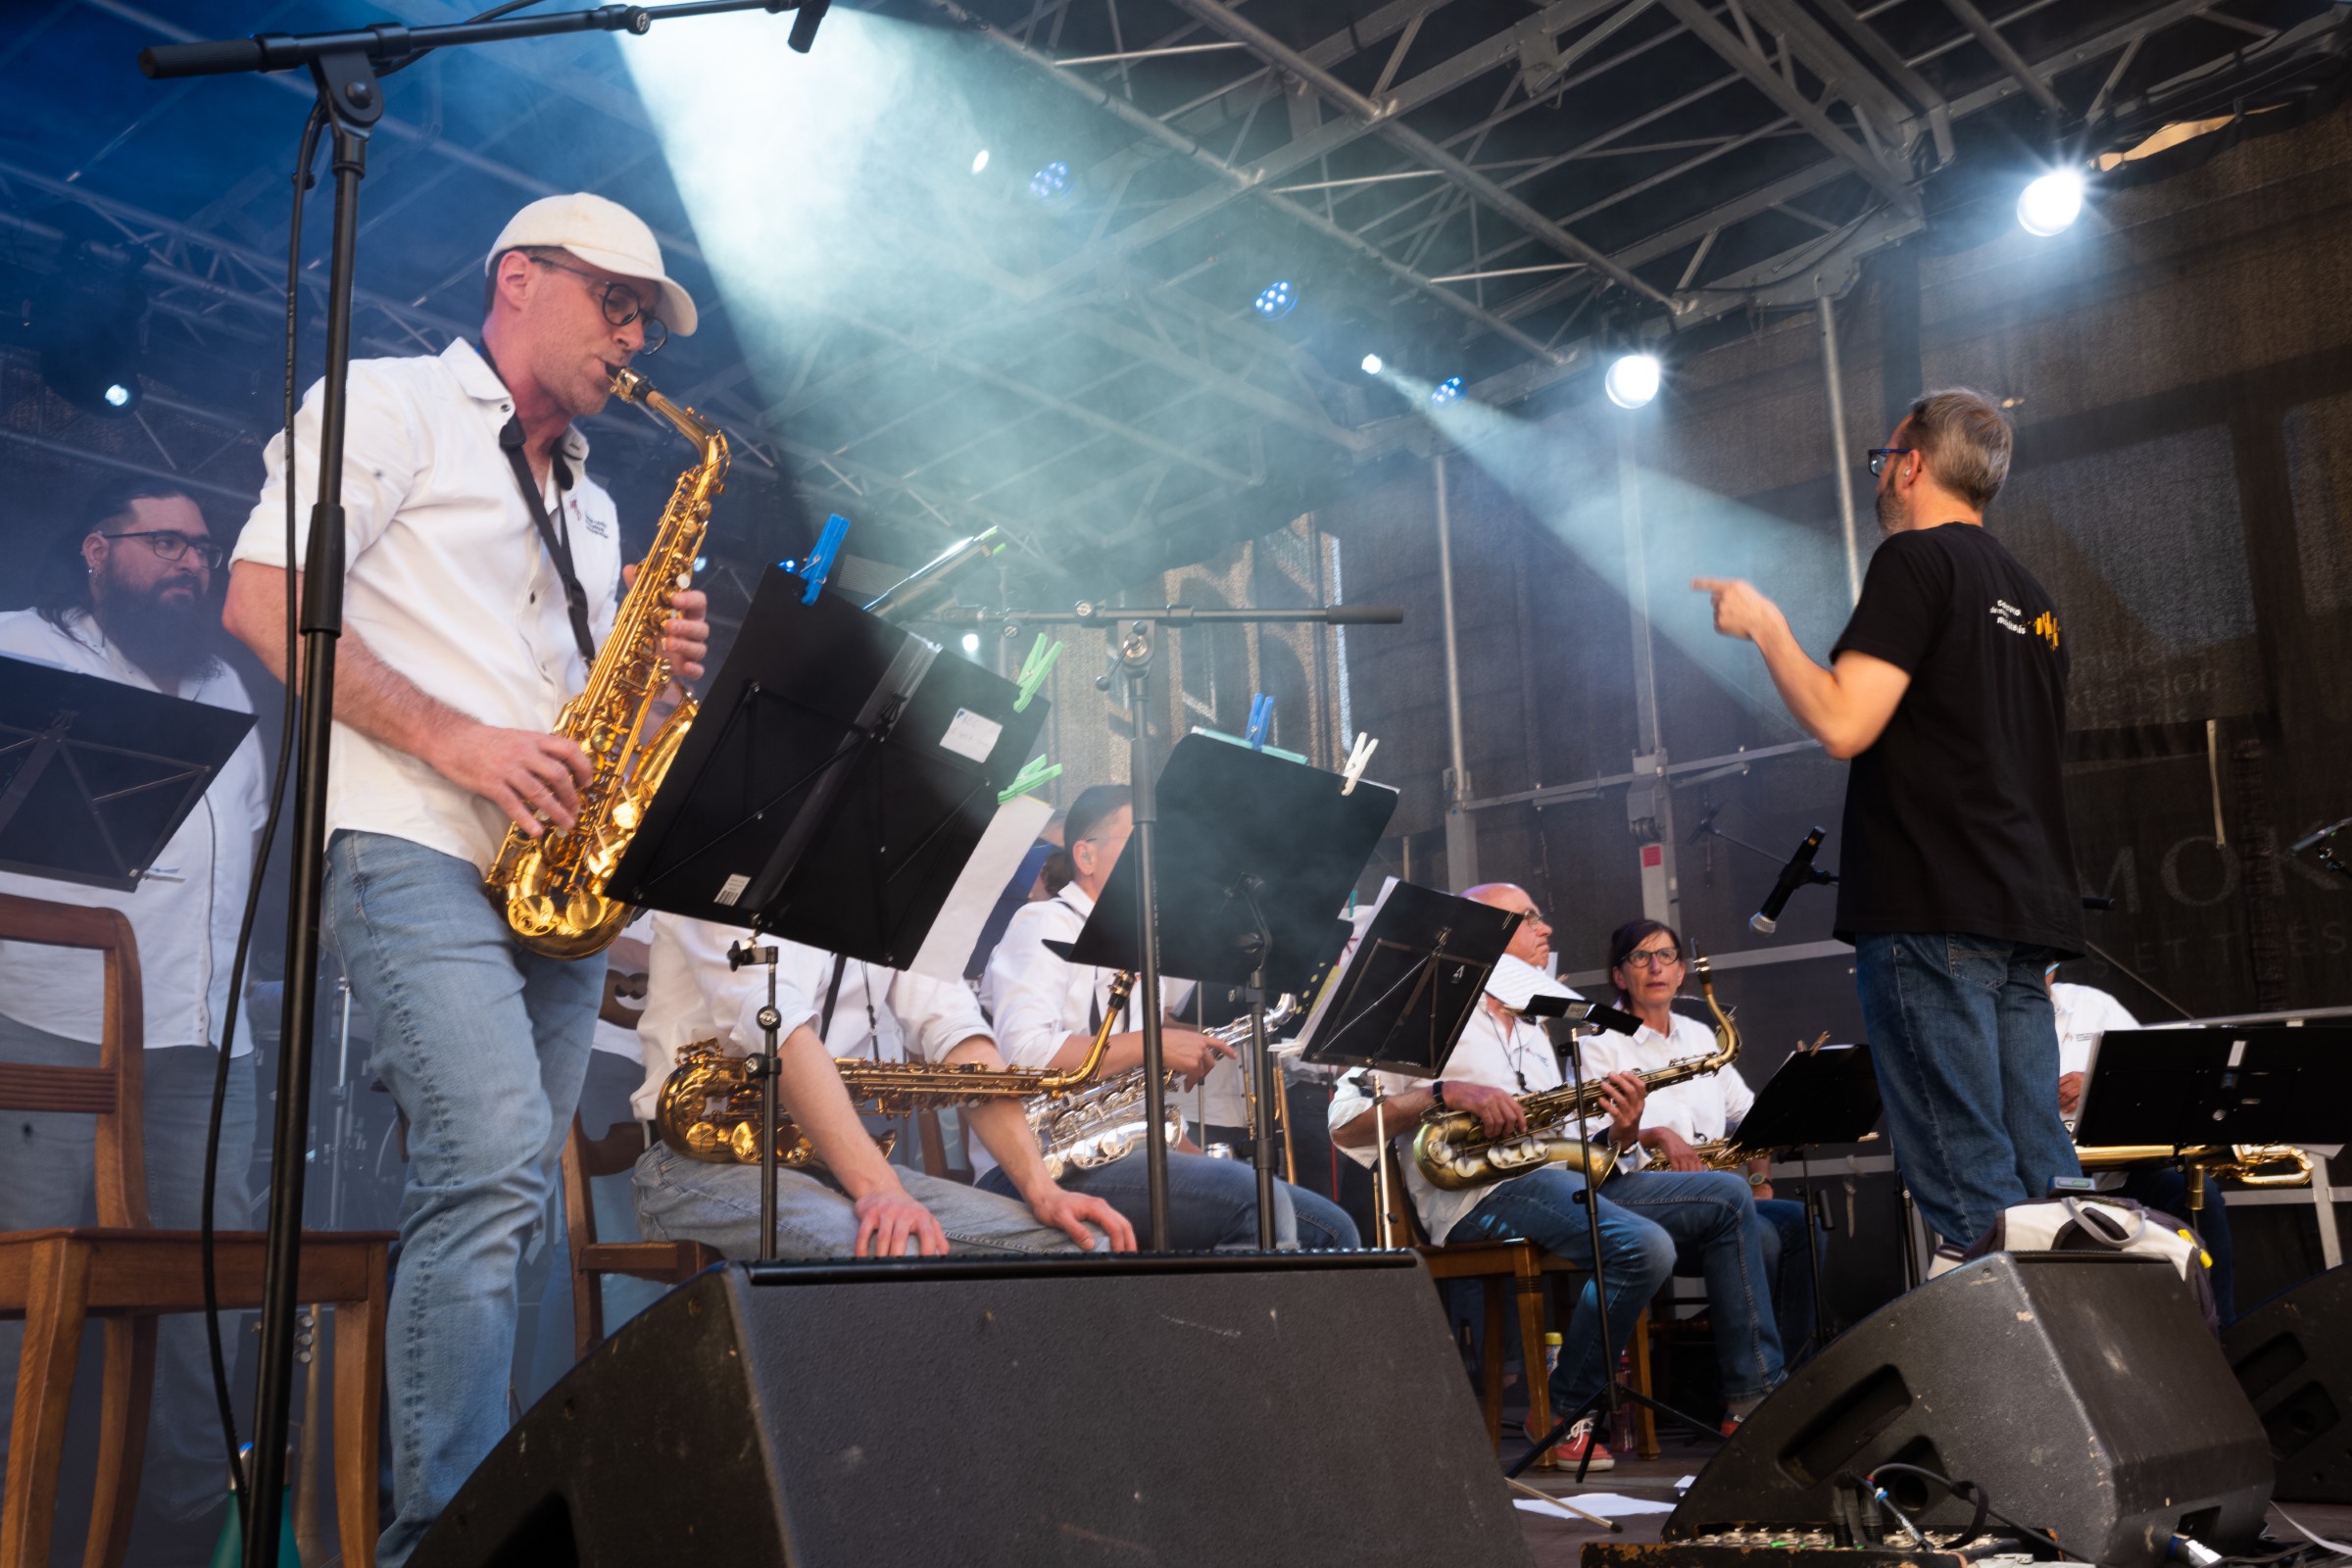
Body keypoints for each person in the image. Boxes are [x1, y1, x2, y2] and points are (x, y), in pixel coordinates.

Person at [222, 192, 712, 1562]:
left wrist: (655, 694)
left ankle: (492, 1507)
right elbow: (262, 600)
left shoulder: (594, 507)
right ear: (519, 278)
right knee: (494, 1159)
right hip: (406, 833)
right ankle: (442, 1539)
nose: (633, 338)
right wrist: (458, 740)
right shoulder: (388, 405)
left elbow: (567, 715)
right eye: (615, 303)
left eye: (645, 319)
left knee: (519, 1203)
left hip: (544, 879)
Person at [1695, 388, 2082, 1250]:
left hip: (1933, 904)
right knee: (2046, 1177)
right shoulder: (2035, 600)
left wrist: (1767, 628)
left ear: (1912, 465)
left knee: (1971, 1185)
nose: (1880, 478)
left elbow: (1844, 722)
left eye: (1884, 460)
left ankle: (2016, 1340)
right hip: (2023, 913)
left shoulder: (1915, 560)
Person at [0, 479, 268, 1541]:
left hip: (206, 1052)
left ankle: (180, 1538)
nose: (190, 563)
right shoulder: (19, 648)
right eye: (164, 543)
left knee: (204, 1308)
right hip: (45, 1026)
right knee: (24, 1300)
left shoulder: (232, 691)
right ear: (97, 551)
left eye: (202, 549)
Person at [1329, 884, 1784, 1465]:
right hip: (1478, 1191)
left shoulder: (1537, 1025)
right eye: (1528, 918)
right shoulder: (1424, 1012)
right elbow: (1346, 1127)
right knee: (1644, 1247)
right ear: (1481, 931)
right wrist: (1443, 1092)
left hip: (1560, 1178)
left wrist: (1623, 1131)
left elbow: (1576, 1145)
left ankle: (1752, 1399)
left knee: (1728, 1193)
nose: (1546, 929)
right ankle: (1564, 1408)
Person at [982, 785, 1359, 1250]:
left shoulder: (1141, 947)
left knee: (1333, 1228)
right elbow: (1024, 1056)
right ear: (1085, 855)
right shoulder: (1043, 922)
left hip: (1119, 1151)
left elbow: (1133, 1101)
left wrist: (1196, 1158)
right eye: (1140, 841)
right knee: (1255, 1204)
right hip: (1044, 1163)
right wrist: (1155, 1043)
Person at [628, 913, 1133, 1258]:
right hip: (692, 1164)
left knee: (1085, 1245)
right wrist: (881, 1189)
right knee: (893, 1253)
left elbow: (959, 1036)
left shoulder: (892, 892)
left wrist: (1043, 1190)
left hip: (824, 1164)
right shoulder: (731, 866)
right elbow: (779, 1032)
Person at [1586, 920, 1816, 1360]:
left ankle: (1792, 1372)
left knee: (1801, 1223)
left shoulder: (1700, 1035)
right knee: (1765, 1237)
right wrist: (1658, 1135)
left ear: (1681, 971)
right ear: (1619, 975)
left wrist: (1760, 1184)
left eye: (1666, 955)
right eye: (1640, 957)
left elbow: (1753, 1120)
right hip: (1640, 1201)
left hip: (1721, 1199)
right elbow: (1591, 1142)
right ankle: (1752, 1377)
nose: (1655, 967)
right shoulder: (1599, 1043)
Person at [2048, 968, 2234, 1319]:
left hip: (2120, 1168)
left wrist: (2098, 1083)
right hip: (2040, 1170)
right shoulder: (1986, 1012)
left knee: (2198, 1194)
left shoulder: (2091, 1004)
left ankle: (2218, 1330)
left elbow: (2150, 1077)